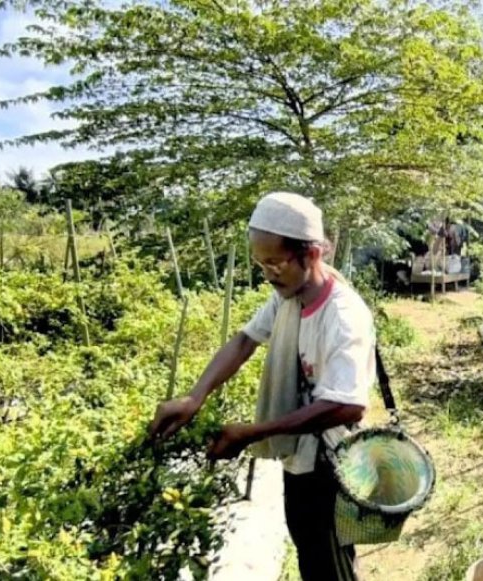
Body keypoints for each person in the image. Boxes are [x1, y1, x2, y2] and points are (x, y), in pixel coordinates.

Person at [148, 192, 376, 581]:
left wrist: (252, 433)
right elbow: (244, 341)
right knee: (309, 553)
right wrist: (194, 397)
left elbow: (347, 406)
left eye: (275, 262)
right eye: (260, 263)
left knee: (330, 564)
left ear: (312, 255)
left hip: (331, 465)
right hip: (299, 459)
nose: (267, 273)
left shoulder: (343, 315)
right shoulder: (288, 297)